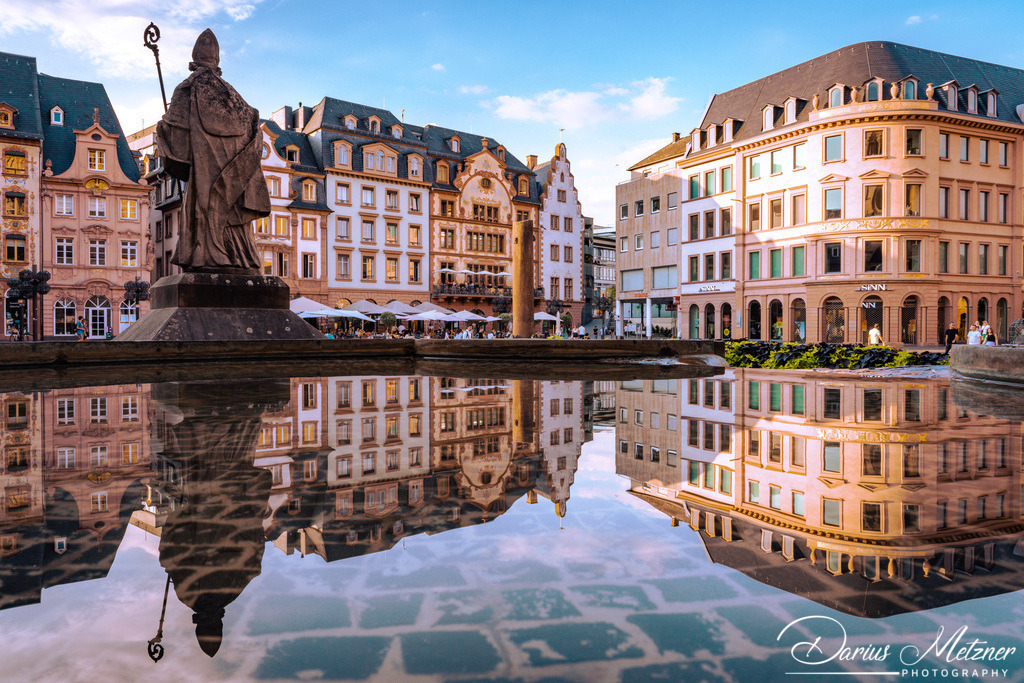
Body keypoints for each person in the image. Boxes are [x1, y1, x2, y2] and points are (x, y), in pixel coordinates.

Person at [156, 29, 271, 273]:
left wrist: (162, 128)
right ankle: (240, 257)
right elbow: (253, 123)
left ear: (195, 57)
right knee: (229, 211)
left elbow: (175, 136)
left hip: (205, 177)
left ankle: (205, 256)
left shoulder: (187, 89)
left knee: (204, 208)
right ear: (216, 59)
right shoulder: (233, 96)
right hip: (234, 180)